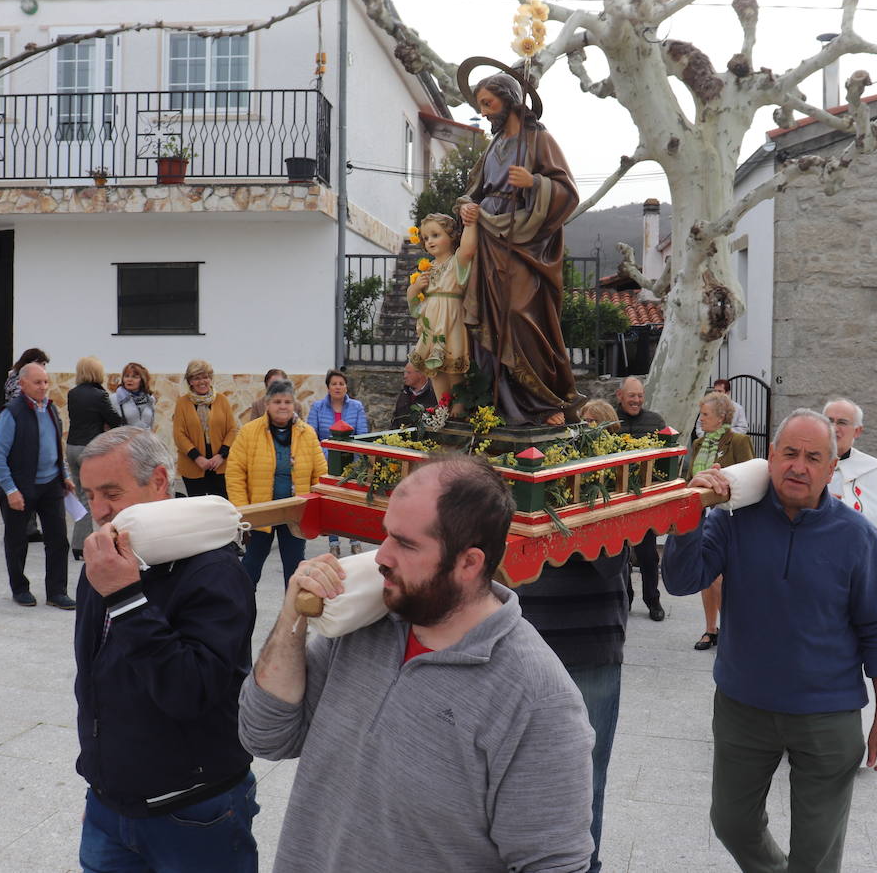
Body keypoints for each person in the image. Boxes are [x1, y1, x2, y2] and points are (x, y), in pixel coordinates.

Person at [238, 456, 595, 872]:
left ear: (469, 563)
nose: (381, 557)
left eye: (406, 544)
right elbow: (265, 736)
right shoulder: (366, 620)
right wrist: (292, 617)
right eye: (386, 534)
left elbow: (553, 864)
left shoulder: (536, 697)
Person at [662, 409, 877, 872]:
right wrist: (693, 507)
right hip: (743, 706)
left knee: (815, 853)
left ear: (832, 470)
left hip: (827, 713)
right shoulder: (734, 520)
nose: (799, 466)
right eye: (789, 453)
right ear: (770, 458)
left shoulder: (856, 537)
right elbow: (680, 580)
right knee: (731, 821)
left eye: (814, 457)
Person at [74, 427, 259, 872]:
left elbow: (188, 691)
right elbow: (96, 675)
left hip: (195, 811)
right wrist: (101, 787)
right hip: (109, 806)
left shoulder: (214, 570)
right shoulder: (109, 556)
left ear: (159, 481)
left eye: (112, 492)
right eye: (89, 494)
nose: (98, 511)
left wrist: (126, 598)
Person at [456, 71, 582, 426]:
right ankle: (496, 404)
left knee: (519, 315)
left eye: (487, 103)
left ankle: (542, 402)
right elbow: (473, 190)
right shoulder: (493, 147)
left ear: (508, 99)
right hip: (489, 239)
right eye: (480, 105)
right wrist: (466, 205)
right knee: (486, 323)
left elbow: (568, 192)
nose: (483, 112)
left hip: (527, 241)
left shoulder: (539, 140)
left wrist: (535, 182)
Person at [515, 548, 629, 873]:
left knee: (586, 781)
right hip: (518, 635)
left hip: (589, 639)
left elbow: (612, 560)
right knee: (511, 778)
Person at [0, 362, 75, 609]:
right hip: (20, 487)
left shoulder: (51, 409)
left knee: (58, 540)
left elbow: (56, 446)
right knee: (17, 542)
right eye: (38, 382)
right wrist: (11, 490)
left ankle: (57, 592)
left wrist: (65, 474)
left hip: (50, 486)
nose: (43, 387)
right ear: (22, 384)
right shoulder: (11, 413)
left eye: (46, 382)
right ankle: (20, 588)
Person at [226, 380, 328, 588]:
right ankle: (240, 609)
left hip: (295, 512)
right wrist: (243, 510)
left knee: (295, 569)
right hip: (261, 512)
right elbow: (235, 472)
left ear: (294, 405)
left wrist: (317, 510)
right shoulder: (249, 432)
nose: (283, 406)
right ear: (267, 404)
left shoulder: (306, 433)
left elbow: (320, 474)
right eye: (277, 401)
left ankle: (292, 614)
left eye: (288, 402)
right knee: (251, 566)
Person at [684, 393, 756, 651]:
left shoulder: (738, 441)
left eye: (705, 414)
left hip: (731, 518)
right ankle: (710, 629)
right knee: (708, 575)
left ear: (721, 417)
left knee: (725, 577)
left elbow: (749, 478)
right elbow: (691, 479)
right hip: (704, 517)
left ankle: (730, 627)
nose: (701, 419)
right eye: (700, 414)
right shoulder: (698, 444)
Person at [824, 397, 877, 604]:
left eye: (842, 422)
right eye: (829, 420)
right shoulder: (804, 463)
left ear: (857, 431)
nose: (834, 428)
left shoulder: (873, 470)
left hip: (852, 569)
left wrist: (842, 511)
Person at [406, 212, 476, 411]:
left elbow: (469, 250)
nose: (429, 241)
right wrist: (414, 289)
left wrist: (471, 223)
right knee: (433, 369)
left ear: (452, 236)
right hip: (431, 322)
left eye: (435, 235)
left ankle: (459, 405)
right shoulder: (427, 270)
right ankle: (442, 405)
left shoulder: (456, 262)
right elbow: (416, 308)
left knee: (453, 364)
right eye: (426, 238)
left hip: (451, 318)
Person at [615, 376, 667, 621]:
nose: (636, 400)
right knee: (619, 553)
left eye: (639, 396)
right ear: (619, 396)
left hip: (645, 499)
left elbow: (667, 456)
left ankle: (653, 600)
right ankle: (625, 597)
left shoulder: (655, 421)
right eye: (631, 396)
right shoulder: (608, 420)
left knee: (648, 554)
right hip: (616, 499)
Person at [305, 368, 368, 557]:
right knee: (331, 503)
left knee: (351, 502)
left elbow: (362, 435)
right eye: (334, 384)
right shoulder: (318, 407)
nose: (338, 387)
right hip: (326, 462)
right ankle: (334, 542)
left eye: (341, 383)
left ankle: (355, 539)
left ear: (346, 386)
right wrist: (327, 454)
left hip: (352, 462)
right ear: (328, 387)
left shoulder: (356, 406)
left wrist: (351, 455)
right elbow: (311, 436)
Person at [66, 356, 124, 560]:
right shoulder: (100, 395)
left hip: (71, 447)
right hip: (90, 449)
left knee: (80, 493)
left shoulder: (72, 393)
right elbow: (116, 421)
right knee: (92, 497)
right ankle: (82, 544)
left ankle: (78, 543)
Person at [3, 347, 50, 542]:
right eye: (42, 363)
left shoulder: (13, 377)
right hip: (22, 438)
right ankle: (26, 528)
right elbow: (21, 408)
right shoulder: (18, 383)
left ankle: (27, 527)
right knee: (26, 482)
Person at [172, 359, 237, 498]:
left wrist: (221, 455)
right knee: (198, 507)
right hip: (192, 464)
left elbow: (232, 430)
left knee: (221, 504)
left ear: (210, 379)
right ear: (190, 381)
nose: (202, 381)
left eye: (205, 377)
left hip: (219, 464)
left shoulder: (222, 400)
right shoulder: (182, 403)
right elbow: (179, 435)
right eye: (197, 378)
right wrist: (198, 458)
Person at [391, 360, 438, 428]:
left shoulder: (434, 394)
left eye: (408, 373)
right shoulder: (405, 393)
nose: (405, 376)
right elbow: (396, 419)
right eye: (405, 372)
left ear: (420, 374)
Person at [114, 361, 156, 430]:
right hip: (125, 439)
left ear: (142, 380)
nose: (129, 379)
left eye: (134, 377)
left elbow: (151, 424)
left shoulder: (150, 399)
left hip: (145, 439)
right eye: (126, 376)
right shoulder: (115, 399)